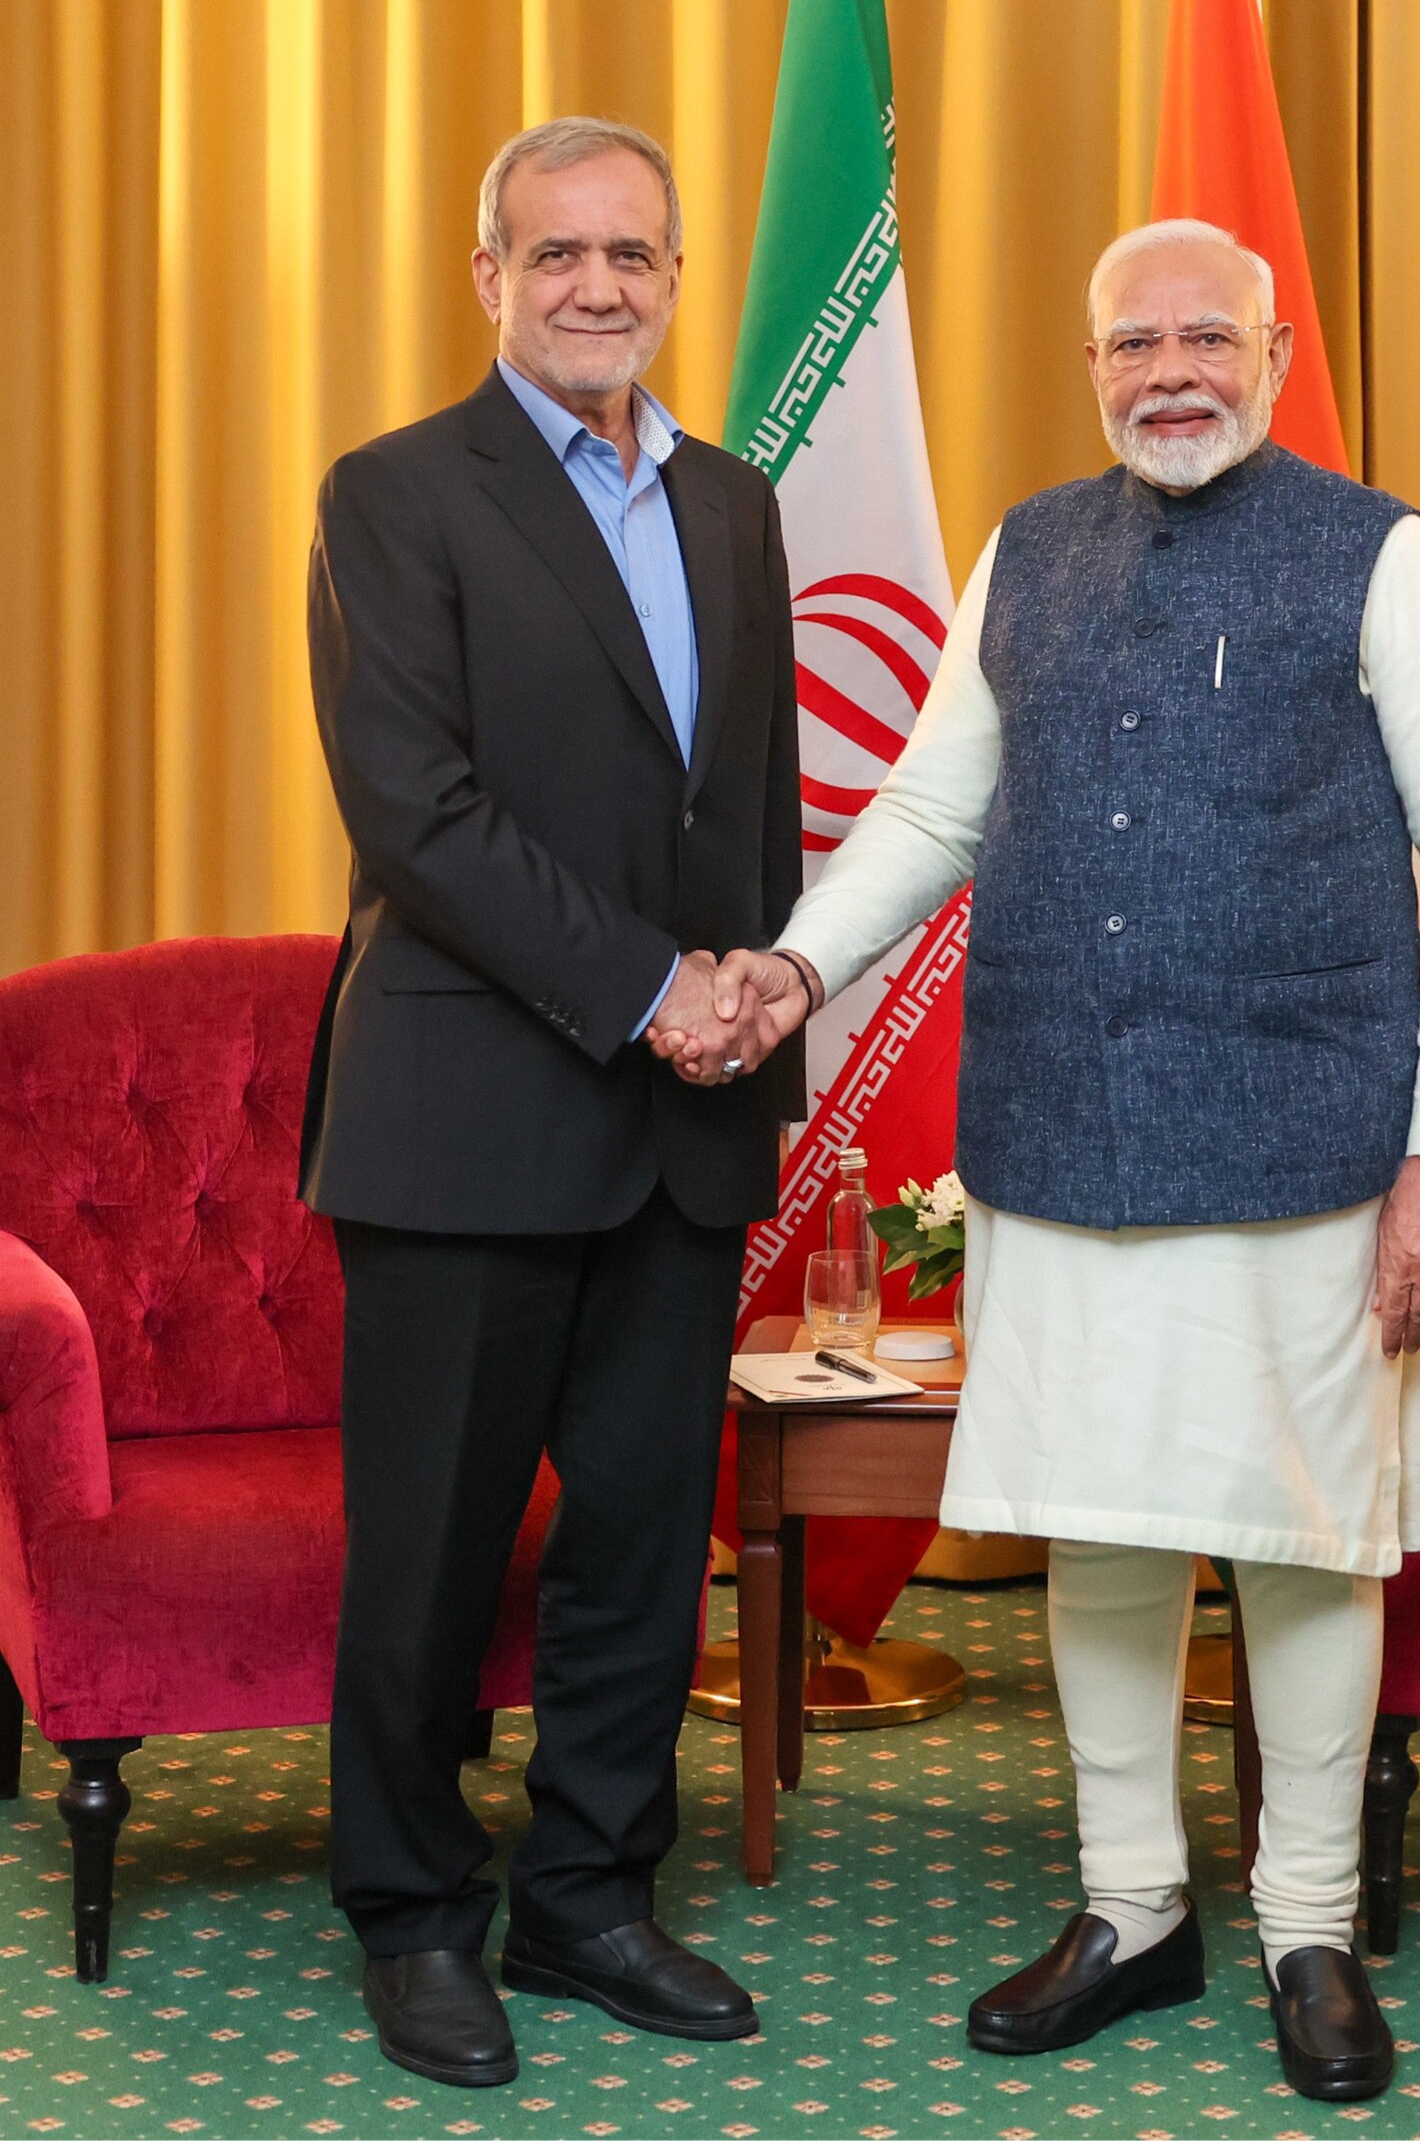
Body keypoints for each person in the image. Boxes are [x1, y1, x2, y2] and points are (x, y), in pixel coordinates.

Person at [657, 218, 1420, 2105]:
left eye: (1205, 337)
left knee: (1306, 1552)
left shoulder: (1388, 556)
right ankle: (1131, 1907)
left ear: (1278, 353)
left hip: (1315, 1154)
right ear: (1092, 368)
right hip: (1060, 1144)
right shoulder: (1026, 553)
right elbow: (928, 806)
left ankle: (1308, 1924)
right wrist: (800, 963)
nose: (1171, 372)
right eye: (1133, 341)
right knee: (1105, 1525)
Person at [301, 116, 802, 2089]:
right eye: (558, 251)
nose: (600, 284)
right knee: (429, 1544)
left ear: (676, 279)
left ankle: (591, 1890)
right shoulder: (397, 495)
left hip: (685, 1118)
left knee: (635, 1543)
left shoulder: (742, 505)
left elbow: (742, 804)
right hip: (467, 1111)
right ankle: (413, 1909)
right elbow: (419, 816)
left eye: (635, 254)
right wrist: (649, 985)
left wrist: (761, 976)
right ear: (489, 275)